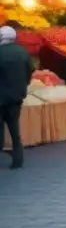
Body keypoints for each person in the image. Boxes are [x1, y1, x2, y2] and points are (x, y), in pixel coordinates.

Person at [0, 26, 33, 169]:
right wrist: (23, 85)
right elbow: (30, 70)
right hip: (16, 97)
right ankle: (18, 160)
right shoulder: (22, 51)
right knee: (15, 131)